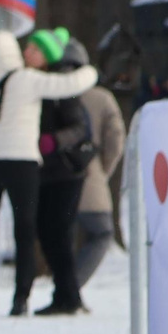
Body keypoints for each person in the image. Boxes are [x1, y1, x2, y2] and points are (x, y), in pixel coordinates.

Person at [0, 28, 96, 317]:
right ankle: (20, 299)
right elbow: (72, 84)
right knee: (24, 230)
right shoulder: (28, 79)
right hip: (21, 160)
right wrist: (90, 70)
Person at [30, 30, 98, 314]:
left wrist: (54, 141)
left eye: (35, 49)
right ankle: (66, 294)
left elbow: (79, 127)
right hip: (47, 170)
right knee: (49, 231)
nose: (27, 53)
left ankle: (69, 296)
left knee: (57, 231)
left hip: (66, 171)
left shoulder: (60, 86)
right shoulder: (41, 83)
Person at [68, 46, 127, 292]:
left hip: (49, 176)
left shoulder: (45, 93)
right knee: (101, 233)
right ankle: (70, 288)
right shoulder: (100, 98)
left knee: (59, 235)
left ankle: (64, 287)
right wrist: (104, 169)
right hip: (88, 173)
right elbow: (115, 139)